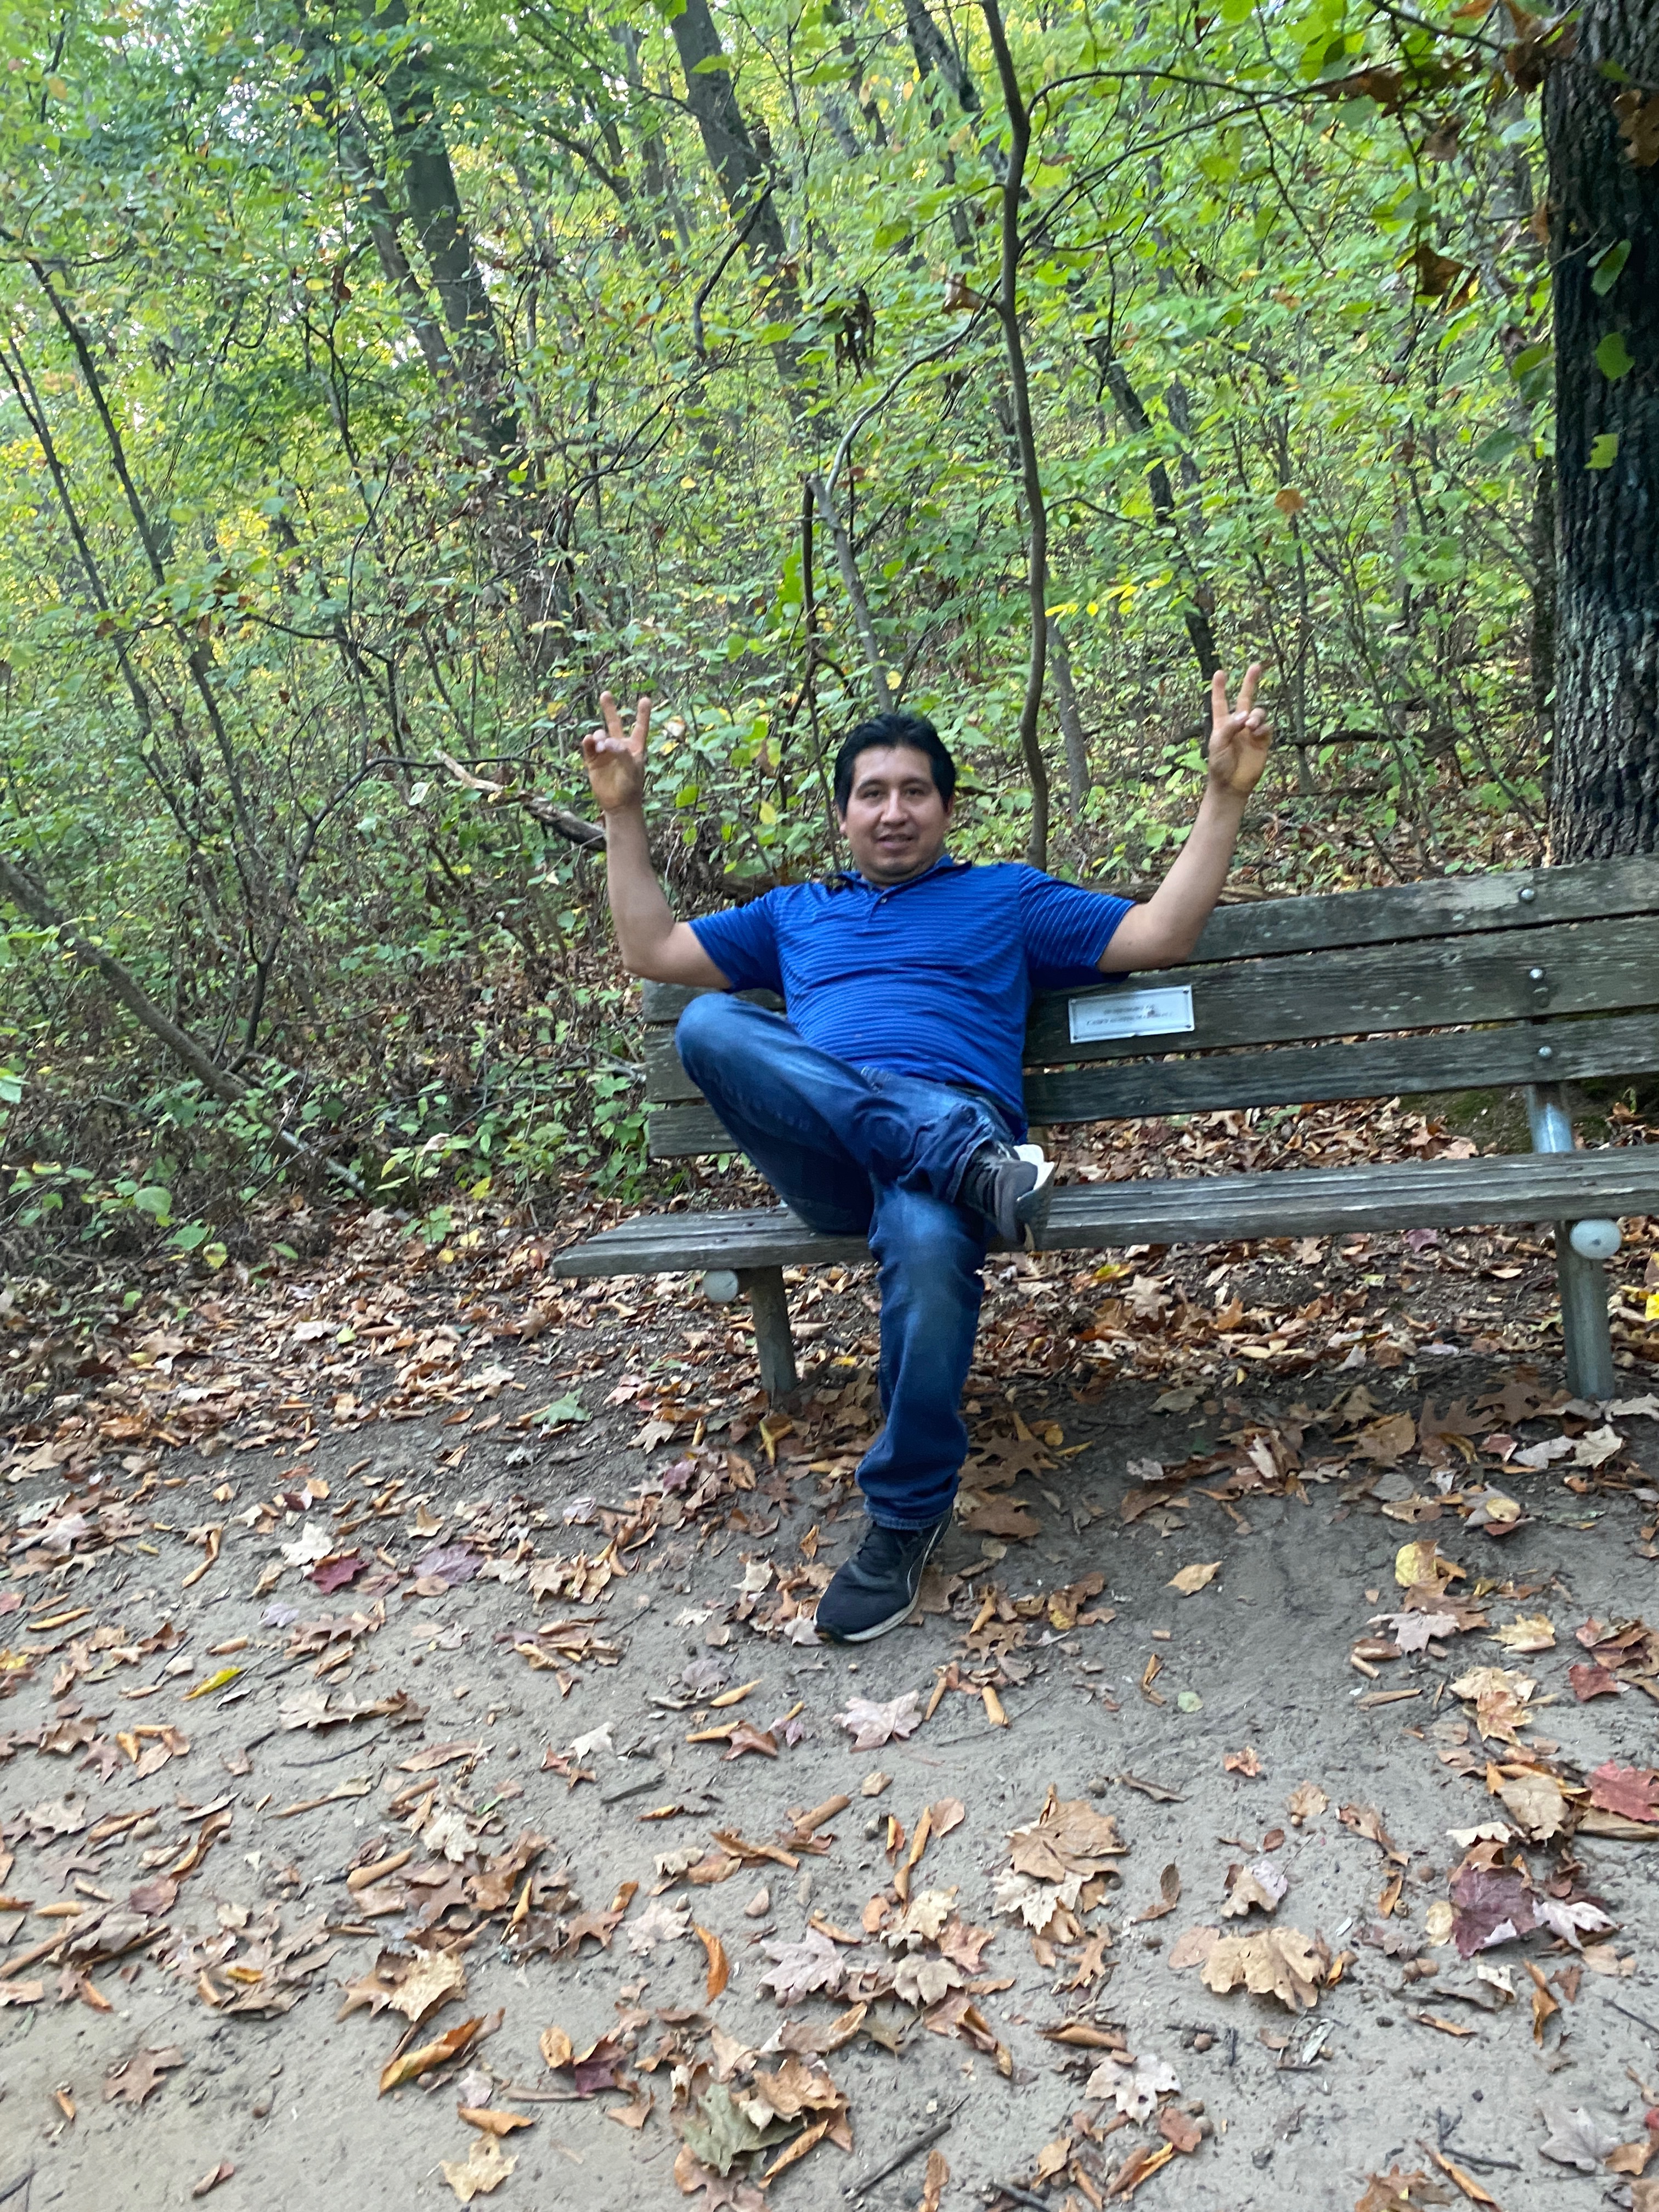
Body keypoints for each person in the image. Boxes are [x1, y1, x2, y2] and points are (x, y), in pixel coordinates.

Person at [580, 673, 1271, 1641]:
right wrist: (623, 813)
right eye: (872, 793)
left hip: (945, 1147)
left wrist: (1225, 792)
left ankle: (904, 1520)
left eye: (915, 791)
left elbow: (1162, 933)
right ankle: (955, 1159)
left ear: (947, 808)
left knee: (927, 1236)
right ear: (843, 815)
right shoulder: (792, 915)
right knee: (706, 1024)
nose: (893, 811)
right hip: (842, 1160)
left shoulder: (1006, 899)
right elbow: (652, 950)